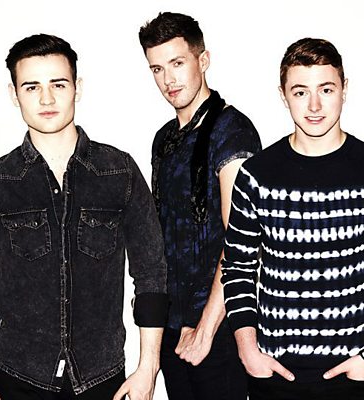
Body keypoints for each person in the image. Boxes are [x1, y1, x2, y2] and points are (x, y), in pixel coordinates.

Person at [0, 33, 168, 400]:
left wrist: (148, 368)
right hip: (17, 377)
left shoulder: (119, 172)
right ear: (14, 94)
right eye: (31, 87)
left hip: (102, 377)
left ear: (78, 87)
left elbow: (152, 272)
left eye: (58, 84)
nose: (46, 99)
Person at [221, 37, 364, 400]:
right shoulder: (256, 175)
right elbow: (237, 268)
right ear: (283, 95)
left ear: (344, 89)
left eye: (326, 89)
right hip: (274, 377)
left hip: (356, 378)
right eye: (300, 92)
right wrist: (248, 349)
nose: (314, 105)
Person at [139, 12, 261, 399]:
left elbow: (242, 242)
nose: (168, 79)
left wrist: (206, 330)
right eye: (157, 69)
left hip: (218, 328)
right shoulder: (164, 139)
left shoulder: (231, 131)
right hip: (174, 328)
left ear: (202, 60)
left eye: (177, 63)